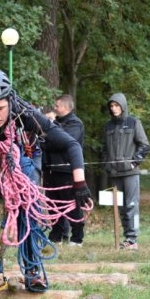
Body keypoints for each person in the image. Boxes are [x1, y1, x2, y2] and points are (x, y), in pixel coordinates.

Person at [0, 70, 91, 290]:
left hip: (22, 168)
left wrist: (79, 185)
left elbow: (71, 145)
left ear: (9, 101)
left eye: (0, 108)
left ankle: (32, 270)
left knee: (27, 209)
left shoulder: (27, 115)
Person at [102, 93, 150, 250]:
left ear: (123, 106)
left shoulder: (134, 123)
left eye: (116, 105)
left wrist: (134, 162)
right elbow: (104, 149)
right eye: (112, 106)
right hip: (114, 173)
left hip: (130, 173)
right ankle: (126, 237)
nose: (114, 109)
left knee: (131, 205)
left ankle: (133, 238)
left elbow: (144, 145)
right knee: (121, 207)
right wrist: (107, 164)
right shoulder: (108, 126)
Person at [44, 94, 86, 246]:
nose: (55, 107)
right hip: (50, 170)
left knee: (71, 205)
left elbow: (64, 142)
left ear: (66, 106)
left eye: (57, 105)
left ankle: (77, 237)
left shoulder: (76, 124)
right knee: (53, 205)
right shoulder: (54, 124)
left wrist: (51, 127)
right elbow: (45, 143)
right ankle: (56, 236)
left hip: (67, 171)